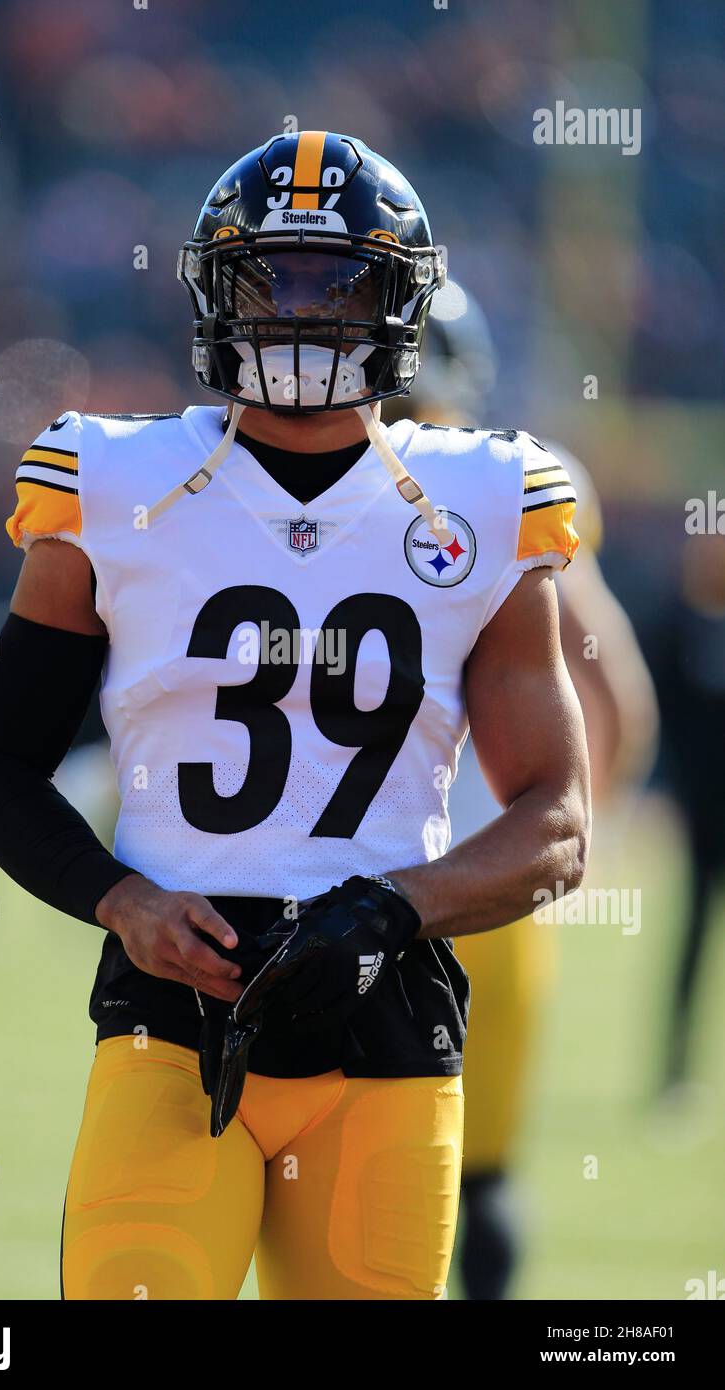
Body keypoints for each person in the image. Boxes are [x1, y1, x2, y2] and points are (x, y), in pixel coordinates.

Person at [0, 131, 590, 1301]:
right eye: (271, 278)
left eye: (337, 280)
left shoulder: (485, 498)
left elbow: (555, 821)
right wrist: (124, 899)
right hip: (171, 1014)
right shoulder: (109, 482)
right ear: (215, 294)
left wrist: (388, 908)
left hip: (386, 1023)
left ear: (399, 303)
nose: (300, 314)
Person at [394, 285, 657, 1298]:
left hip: (329, 876)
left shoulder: (302, 481)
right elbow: (614, 690)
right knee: (481, 1171)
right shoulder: (511, 480)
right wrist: (572, 829)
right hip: (487, 883)